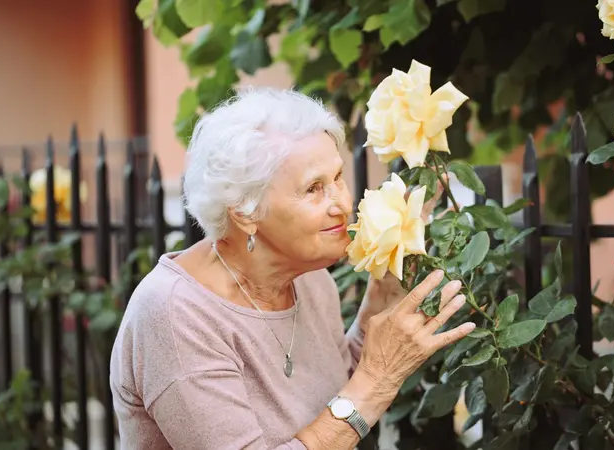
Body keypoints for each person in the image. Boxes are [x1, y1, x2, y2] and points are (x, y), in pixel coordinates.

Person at [109, 87, 476, 450]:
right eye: (314, 188)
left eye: (338, 178)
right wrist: (379, 377)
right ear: (245, 212)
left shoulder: (310, 280)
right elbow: (357, 398)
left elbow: (333, 402)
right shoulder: (176, 316)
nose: (343, 204)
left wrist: (382, 301)